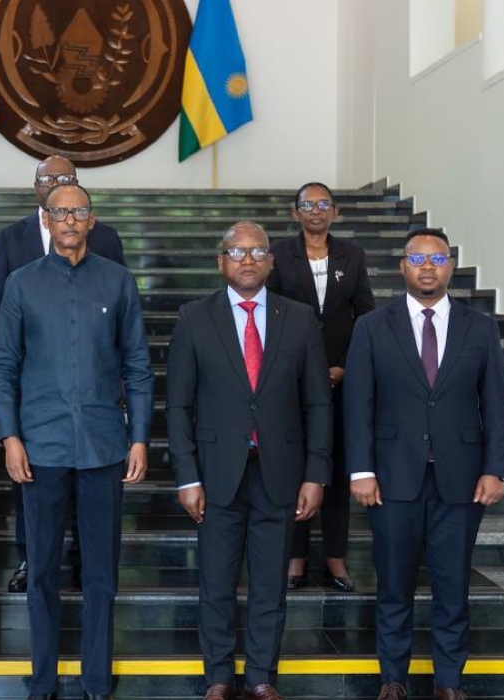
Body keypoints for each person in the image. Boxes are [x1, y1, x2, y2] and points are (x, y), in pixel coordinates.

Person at [0, 184, 153, 700]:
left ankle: (97, 681)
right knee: (40, 572)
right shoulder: (21, 284)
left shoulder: (119, 281)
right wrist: (10, 437)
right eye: (59, 212)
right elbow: (2, 368)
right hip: (40, 448)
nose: (69, 220)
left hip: (105, 447)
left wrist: (141, 438)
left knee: (101, 573)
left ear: (92, 219)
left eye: (78, 211)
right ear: (45, 218)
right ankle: (42, 681)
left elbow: (138, 367)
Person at [167, 221, 333, 700]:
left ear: (271, 261)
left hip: (281, 472)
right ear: (220, 261)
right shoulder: (194, 317)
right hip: (217, 474)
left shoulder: (300, 319)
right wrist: (187, 475)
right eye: (236, 251)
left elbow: (319, 403)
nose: (247, 259)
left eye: (257, 250)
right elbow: (178, 405)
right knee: (216, 582)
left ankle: (261, 676)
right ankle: (218, 677)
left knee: (269, 585)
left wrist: (317, 473)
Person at [344, 229, 504, 700]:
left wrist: (495, 468)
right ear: (402, 266)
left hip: (461, 481)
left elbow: (496, 405)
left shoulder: (480, 328)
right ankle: (392, 680)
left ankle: (448, 682)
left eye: (437, 258)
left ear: (451, 264)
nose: (427, 266)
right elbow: (358, 404)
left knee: (452, 585)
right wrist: (361, 470)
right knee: (393, 584)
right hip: (392, 478)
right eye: (418, 258)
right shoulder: (373, 326)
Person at [0, 154, 126, 593]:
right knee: (28, 480)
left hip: (90, 390)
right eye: (50, 179)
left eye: (67, 179)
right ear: (35, 189)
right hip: (36, 391)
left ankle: (85, 558)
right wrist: (1, 386)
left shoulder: (105, 238)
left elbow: (120, 322)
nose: (58, 184)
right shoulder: (11, 238)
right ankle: (31, 557)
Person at [266, 182, 375, 592]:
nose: (315, 210)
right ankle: (295, 559)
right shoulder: (278, 254)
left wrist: (346, 367)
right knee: (297, 469)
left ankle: (335, 559)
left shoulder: (353, 255)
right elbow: (270, 317)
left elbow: (366, 317)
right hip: (292, 383)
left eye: (323, 204)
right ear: (295, 212)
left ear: (335, 211)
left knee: (337, 469)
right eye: (307, 205)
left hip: (341, 381)